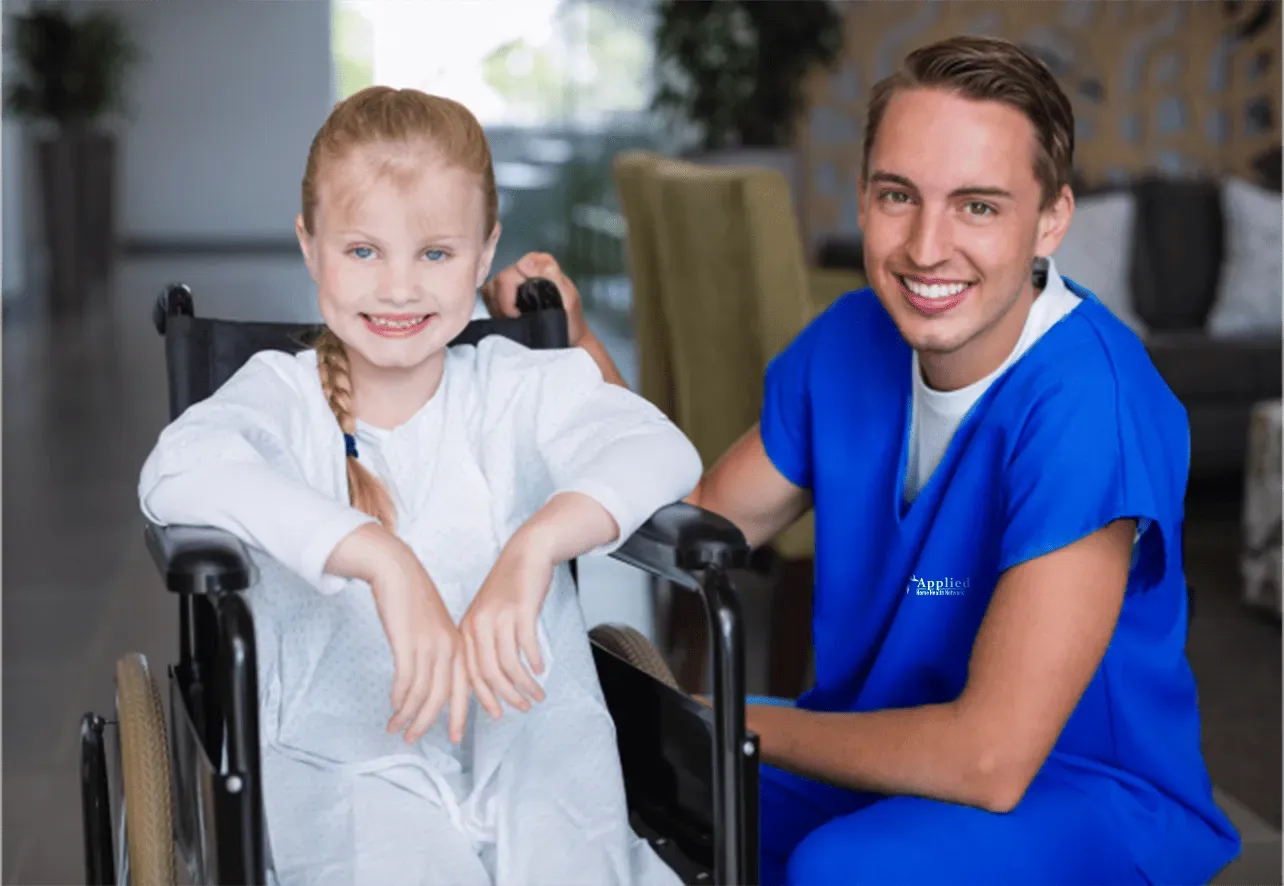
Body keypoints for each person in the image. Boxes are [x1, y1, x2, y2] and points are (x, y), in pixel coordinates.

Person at [481, 35, 1242, 886]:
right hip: (879, 750)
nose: (925, 246)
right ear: (864, 194)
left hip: (1077, 792)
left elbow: (991, 760)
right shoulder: (847, 342)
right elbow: (691, 518)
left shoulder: (1090, 404)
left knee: (840, 867)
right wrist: (575, 349)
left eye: (978, 206)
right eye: (898, 196)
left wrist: (724, 721)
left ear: (1052, 220)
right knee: (613, 777)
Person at [138, 85, 700, 886]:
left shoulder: (517, 385)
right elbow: (177, 468)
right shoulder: (281, 397)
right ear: (310, 247)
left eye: (435, 253)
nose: (399, 289)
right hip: (347, 754)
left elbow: (658, 446)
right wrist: (379, 557)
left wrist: (535, 545)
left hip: (534, 735)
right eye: (363, 251)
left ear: (483, 252)